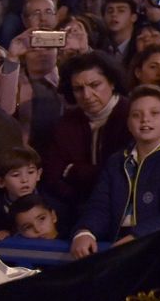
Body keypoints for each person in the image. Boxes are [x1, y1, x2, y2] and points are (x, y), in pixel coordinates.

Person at [70, 86, 160, 257]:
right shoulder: (117, 161)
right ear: (129, 123)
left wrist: (136, 237)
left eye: (154, 113)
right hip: (115, 245)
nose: (145, 120)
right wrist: (85, 232)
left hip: (158, 248)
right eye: (137, 115)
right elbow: (100, 204)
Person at [42, 52, 130, 207]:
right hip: (76, 206)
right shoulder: (66, 122)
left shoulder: (131, 115)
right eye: (78, 89)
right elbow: (52, 177)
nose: (87, 95)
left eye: (95, 85)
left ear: (112, 82)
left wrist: (74, 171)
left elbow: (121, 174)